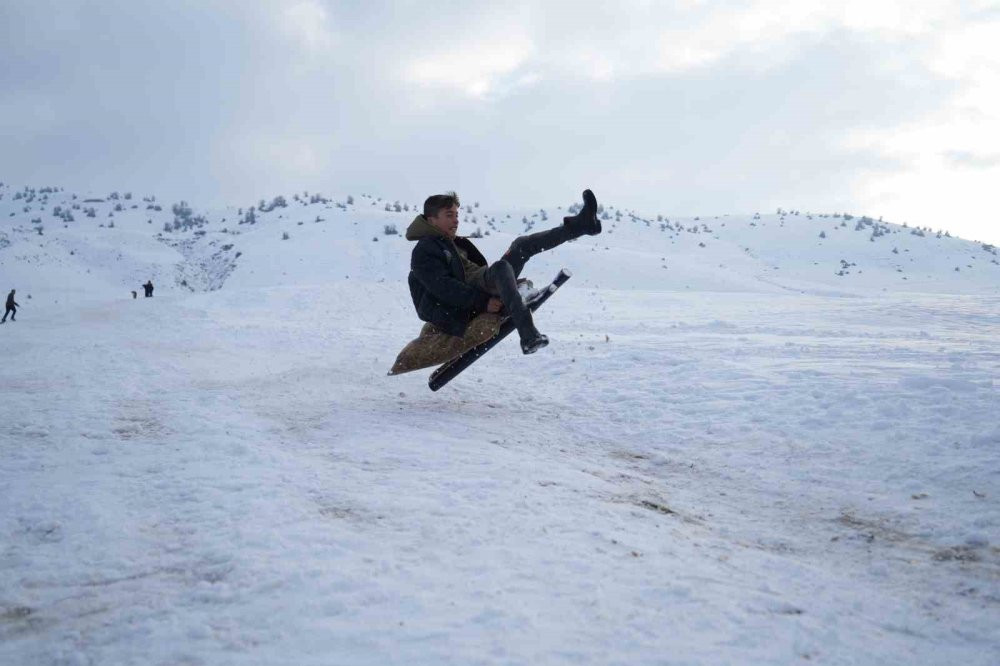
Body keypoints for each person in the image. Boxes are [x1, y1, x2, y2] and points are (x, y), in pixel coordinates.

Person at [390, 189, 601, 374]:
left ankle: (581, 226)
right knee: (501, 268)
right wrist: (483, 302)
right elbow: (444, 288)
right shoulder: (425, 250)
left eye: (456, 215)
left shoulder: (451, 244)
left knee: (521, 246)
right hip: (466, 305)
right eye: (449, 215)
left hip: (482, 285)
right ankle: (529, 336)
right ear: (431, 220)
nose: (456, 220)